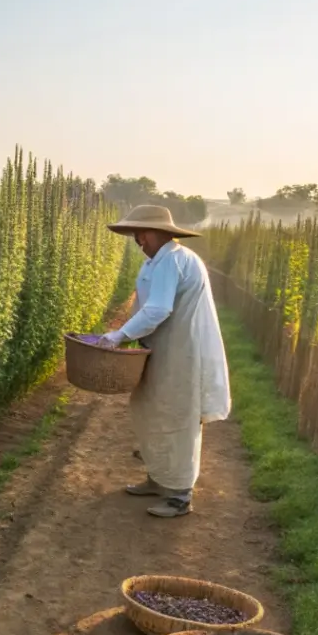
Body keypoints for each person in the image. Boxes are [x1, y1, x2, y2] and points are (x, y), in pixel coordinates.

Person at [99, 204, 231, 518]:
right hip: (163, 348)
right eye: (135, 234)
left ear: (160, 233)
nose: (138, 240)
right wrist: (127, 333)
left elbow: (158, 309)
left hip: (183, 351)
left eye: (142, 233)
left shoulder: (173, 261)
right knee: (151, 410)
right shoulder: (155, 262)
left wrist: (119, 336)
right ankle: (159, 479)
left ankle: (180, 495)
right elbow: (144, 305)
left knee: (178, 419)